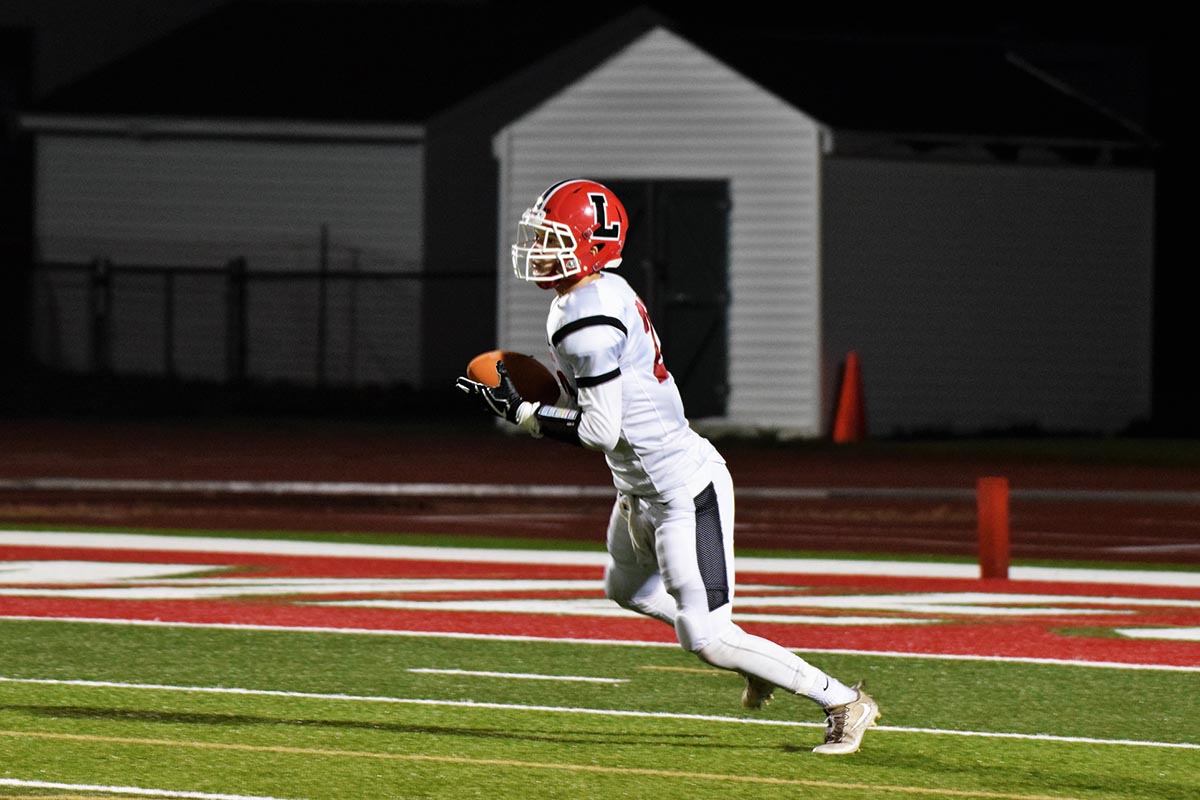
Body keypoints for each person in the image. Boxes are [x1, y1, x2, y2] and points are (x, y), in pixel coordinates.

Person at [456, 178, 879, 754]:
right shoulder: (596, 293)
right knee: (625, 588)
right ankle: (755, 659)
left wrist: (527, 413)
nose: (540, 250)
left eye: (555, 239)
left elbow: (600, 431)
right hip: (640, 489)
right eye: (540, 236)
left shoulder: (586, 319)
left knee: (705, 637)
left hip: (683, 489)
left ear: (593, 245)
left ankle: (842, 700)